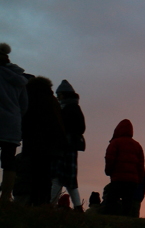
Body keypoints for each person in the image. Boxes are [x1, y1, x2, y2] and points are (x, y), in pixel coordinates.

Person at [22, 76, 66, 205]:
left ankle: (35, 201)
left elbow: (27, 119)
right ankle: (43, 202)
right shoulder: (52, 100)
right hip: (54, 144)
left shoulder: (32, 97)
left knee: (34, 173)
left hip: (36, 142)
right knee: (46, 174)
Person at [0, 43, 29, 203]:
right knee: (9, 160)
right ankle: (5, 196)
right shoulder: (19, 79)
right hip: (12, 123)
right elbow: (24, 105)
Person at [52, 80, 86, 210]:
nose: (57, 97)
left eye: (59, 94)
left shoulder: (67, 109)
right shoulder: (74, 108)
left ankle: (50, 205)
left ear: (63, 95)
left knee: (58, 178)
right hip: (70, 148)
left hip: (64, 147)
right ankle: (77, 207)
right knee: (70, 181)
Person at [103, 119, 145, 216]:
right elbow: (141, 165)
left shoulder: (115, 143)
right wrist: (139, 179)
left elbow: (109, 159)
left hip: (118, 178)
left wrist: (108, 171)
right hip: (132, 181)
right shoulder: (137, 145)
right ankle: (126, 221)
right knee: (128, 203)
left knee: (111, 201)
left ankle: (109, 221)